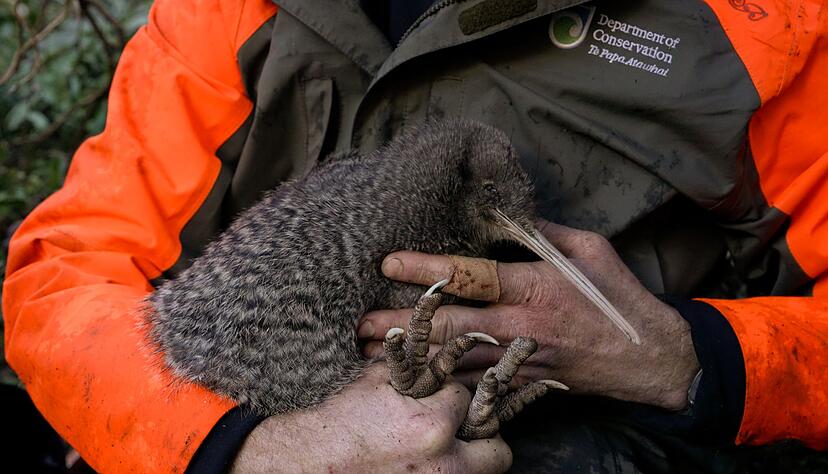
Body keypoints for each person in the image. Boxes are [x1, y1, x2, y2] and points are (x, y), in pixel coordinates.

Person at [3, 0, 827, 472]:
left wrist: (690, 359)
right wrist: (242, 449)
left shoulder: (757, 26)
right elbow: (68, 269)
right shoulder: (234, 10)